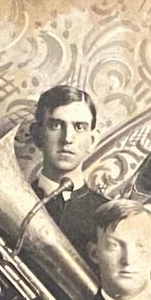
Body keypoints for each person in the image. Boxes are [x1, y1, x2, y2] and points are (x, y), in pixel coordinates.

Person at [27, 84, 110, 256]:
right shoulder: (12, 203)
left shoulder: (109, 215)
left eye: (79, 127)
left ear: (92, 140)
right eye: (56, 125)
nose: (67, 139)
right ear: (37, 135)